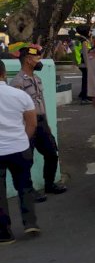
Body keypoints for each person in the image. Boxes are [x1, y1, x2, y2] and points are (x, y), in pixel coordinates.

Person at [10, 44, 67, 197]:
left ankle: (49, 184)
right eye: (37, 57)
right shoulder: (17, 82)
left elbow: (41, 103)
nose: (39, 60)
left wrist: (47, 124)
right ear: (28, 60)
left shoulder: (37, 78)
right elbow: (16, 110)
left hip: (41, 123)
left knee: (51, 153)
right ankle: (29, 191)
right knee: (27, 159)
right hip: (27, 125)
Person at [0, 59, 40, 244]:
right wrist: (23, 139)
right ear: (4, 74)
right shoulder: (19, 95)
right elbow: (32, 123)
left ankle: (4, 233)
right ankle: (30, 223)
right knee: (25, 186)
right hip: (19, 147)